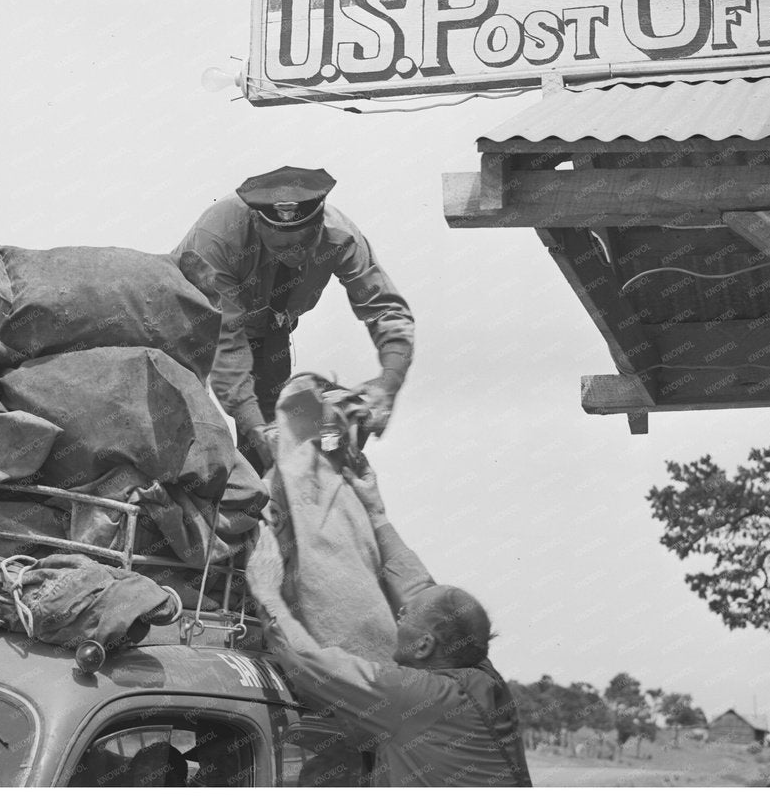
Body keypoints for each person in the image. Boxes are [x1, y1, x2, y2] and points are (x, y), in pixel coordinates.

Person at [243, 458, 532, 788]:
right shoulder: (481, 672)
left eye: (406, 615)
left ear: (424, 645)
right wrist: (377, 513)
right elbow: (420, 589)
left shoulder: (416, 697)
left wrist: (266, 590)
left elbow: (312, 663)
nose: (399, 614)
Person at [174, 166, 414, 472]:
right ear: (258, 224)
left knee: (273, 449)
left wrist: (388, 383)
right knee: (189, 443)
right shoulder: (218, 238)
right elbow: (226, 341)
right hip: (191, 330)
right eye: (283, 246)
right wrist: (255, 427)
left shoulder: (340, 236)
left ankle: (260, 510)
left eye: (305, 243)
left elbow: (387, 311)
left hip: (267, 331)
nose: (296, 255)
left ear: (319, 225)